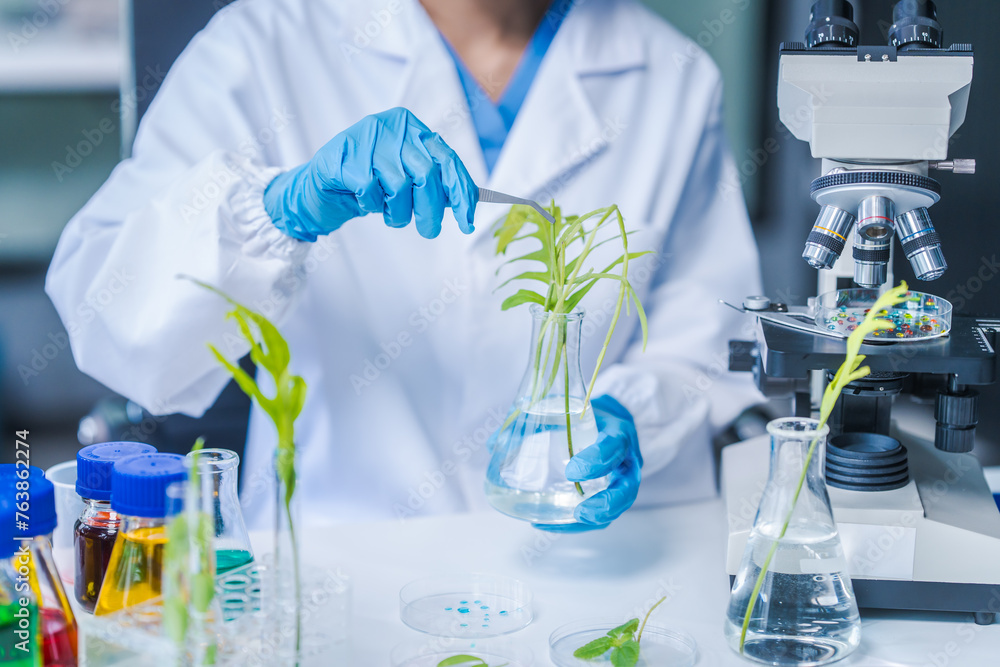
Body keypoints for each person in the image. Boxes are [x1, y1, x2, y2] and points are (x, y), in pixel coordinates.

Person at [45, 0, 763, 530]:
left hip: (587, 567)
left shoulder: (671, 75)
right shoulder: (265, 41)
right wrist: (274, 211)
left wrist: (634, 416)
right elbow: (100, 302)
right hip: (343, 555)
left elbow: (710, 349)